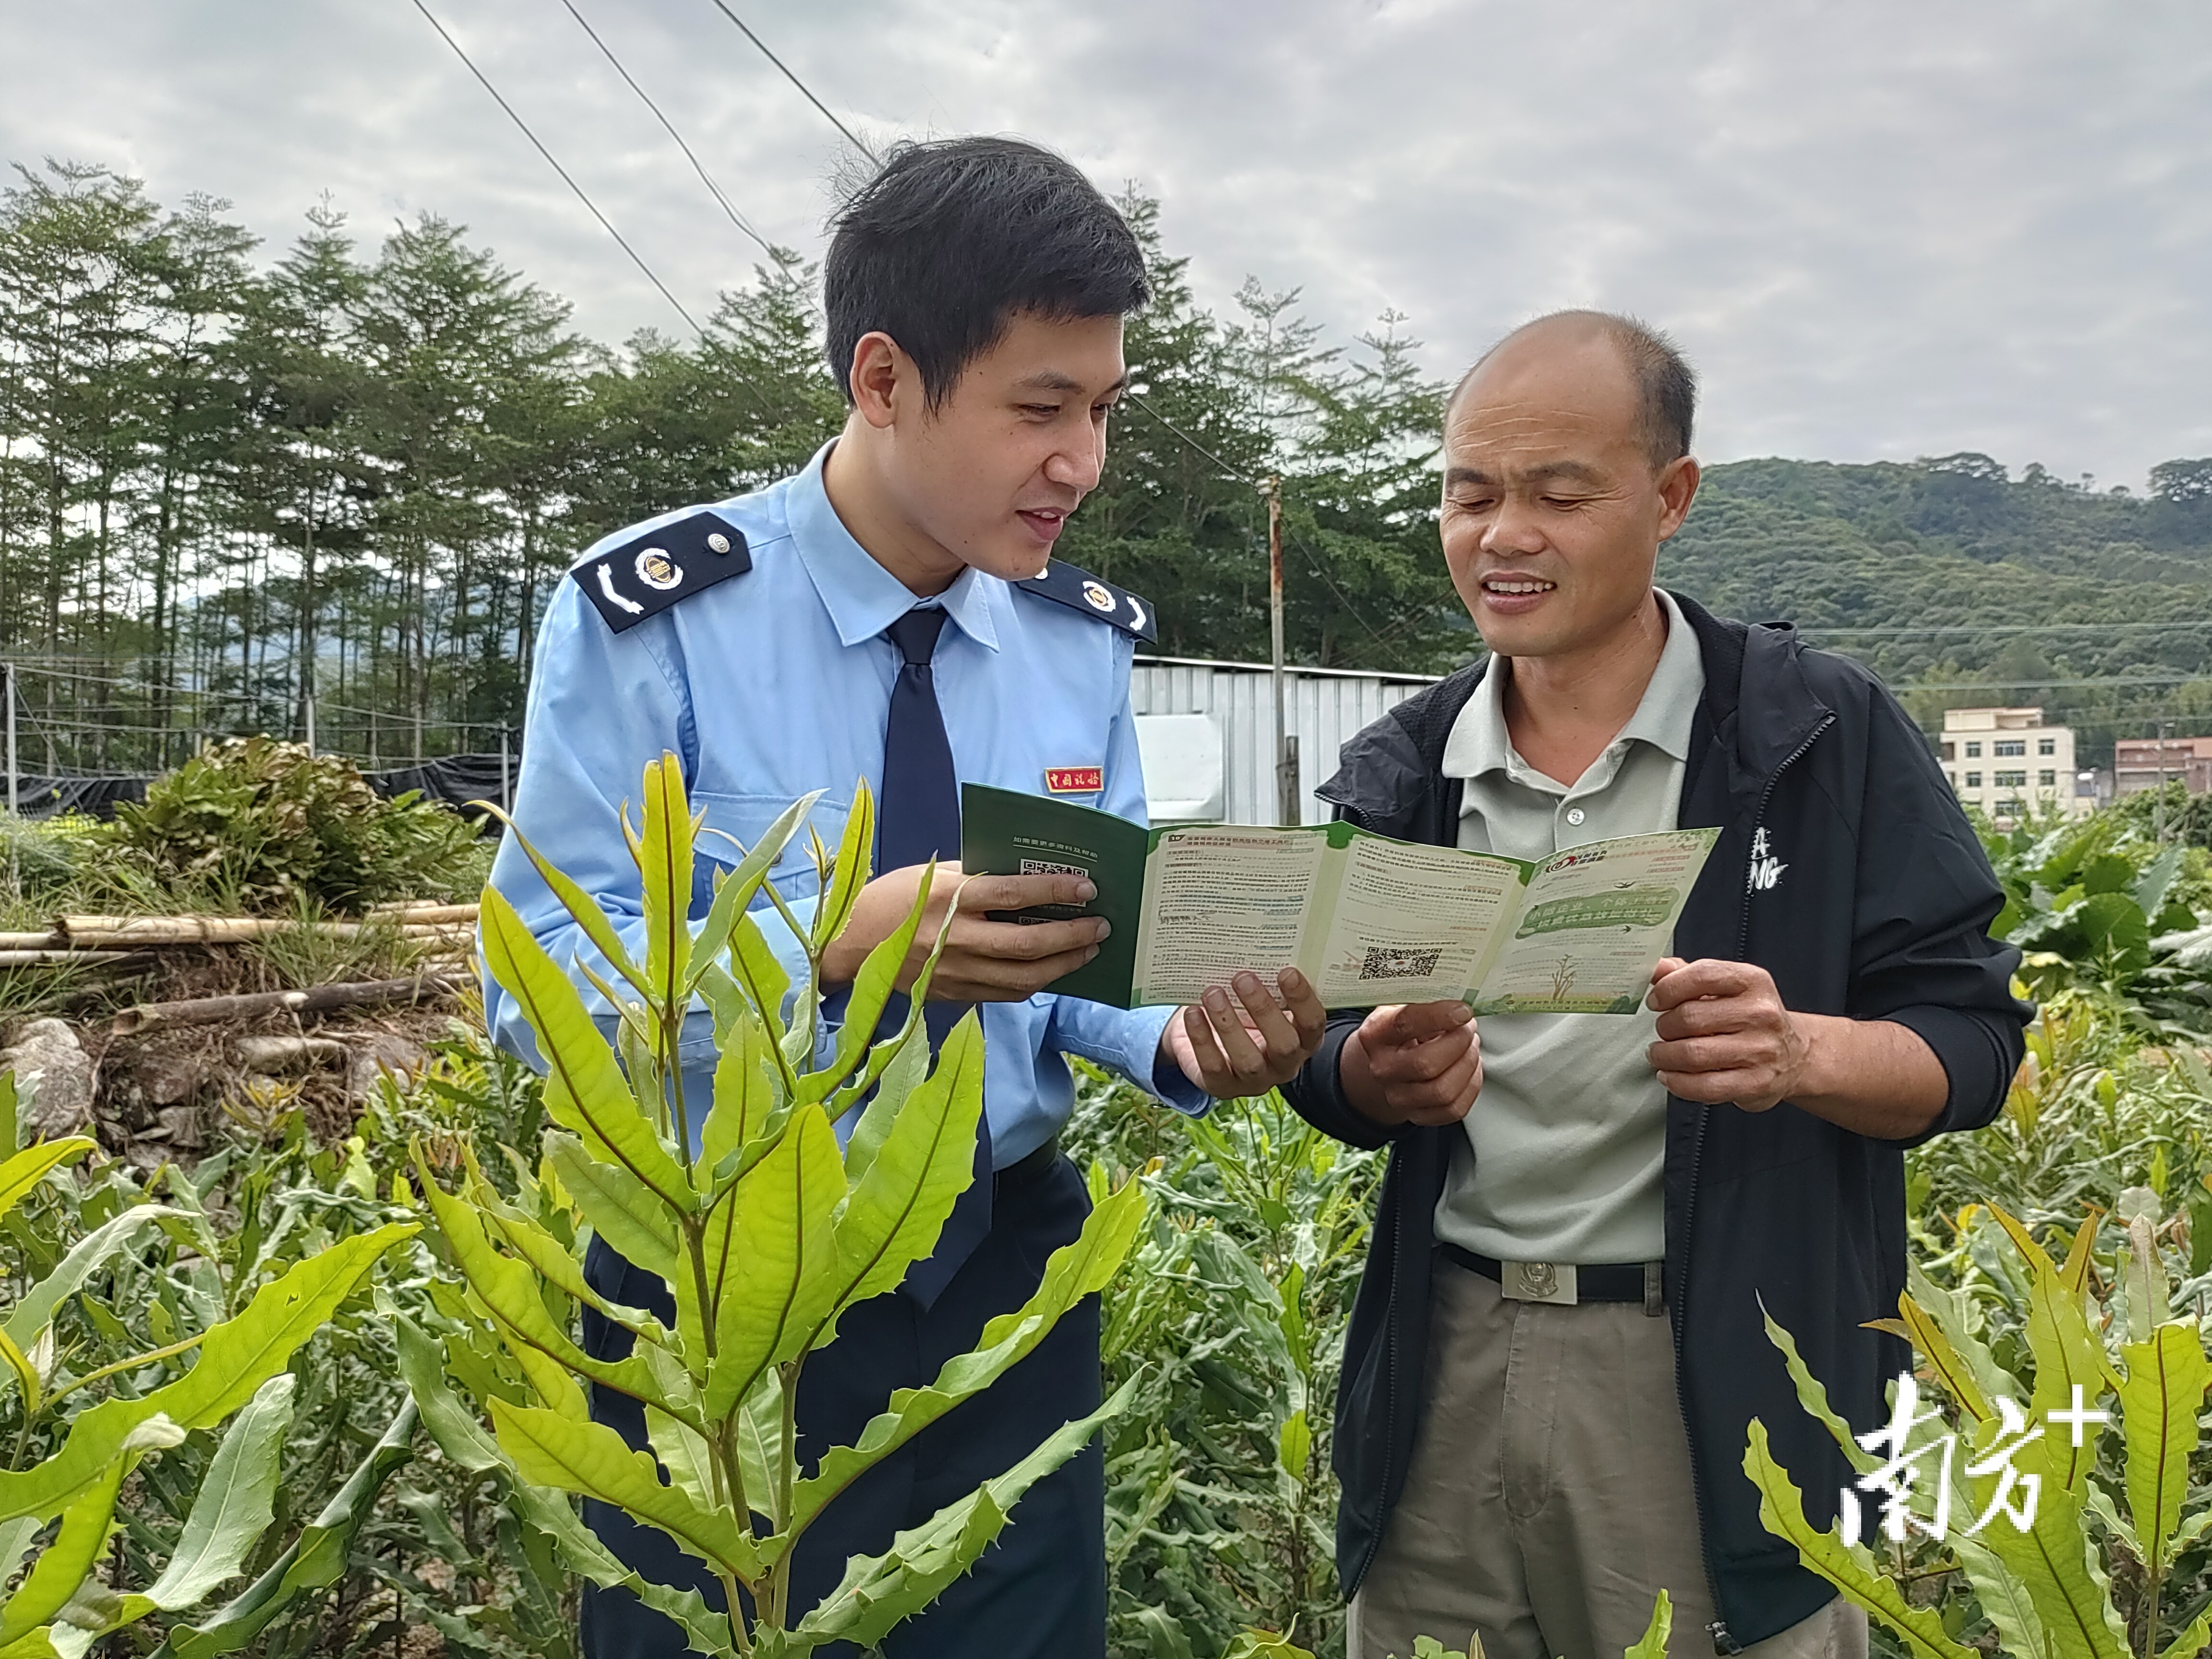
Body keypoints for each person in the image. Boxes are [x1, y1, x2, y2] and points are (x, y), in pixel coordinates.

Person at [484, 136, 1328, 1659]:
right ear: (884, 378)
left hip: (1002, 1284)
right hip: (719, 1283)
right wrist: (820, 949)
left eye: (1104, 410)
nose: (1084, 462)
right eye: (1040, 409)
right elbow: (530, 985)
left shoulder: (1077, 644)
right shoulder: (660, 622)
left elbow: (1088, 947)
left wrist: (1184, 1042)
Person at [1281, 311, 2031, 1659]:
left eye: (1560, 494)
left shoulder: (1814, 732)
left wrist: (1802, 1054)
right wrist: (1361, 1070)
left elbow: (1973, 1042)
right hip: (1445, 1359)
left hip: (1723, 1374)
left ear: (1672, 497)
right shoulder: (1410, 766)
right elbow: (1330, 1048)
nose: (1505, 534)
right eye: (1471, 493)